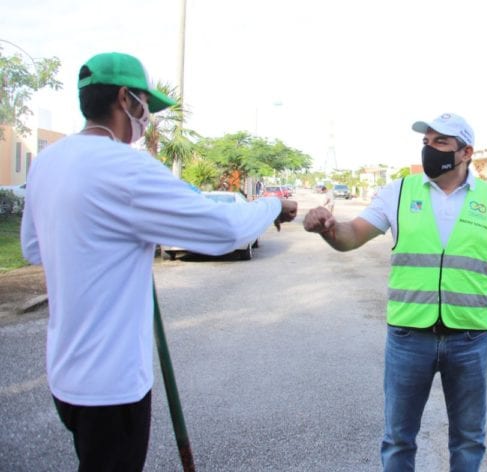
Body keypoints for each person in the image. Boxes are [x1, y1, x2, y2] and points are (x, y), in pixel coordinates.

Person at [20, 52, 298, 471]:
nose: (148, 116)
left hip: (65, 378)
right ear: (124, 99)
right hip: (112, 386)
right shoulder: (127, 167)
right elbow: (226, 230)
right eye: (145, 105)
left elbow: (33, 248)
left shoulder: (47, 162)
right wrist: (272, 207)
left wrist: (111, 239)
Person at [304, 112, 487, 471]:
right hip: (409, 336)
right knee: (398, 440)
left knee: (469, 440)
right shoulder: (399, 191)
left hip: (468, 338)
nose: (430, 149)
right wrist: (328, 230)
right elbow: (352, 236)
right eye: (426, 142)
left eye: (441, 142)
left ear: (466, 152)